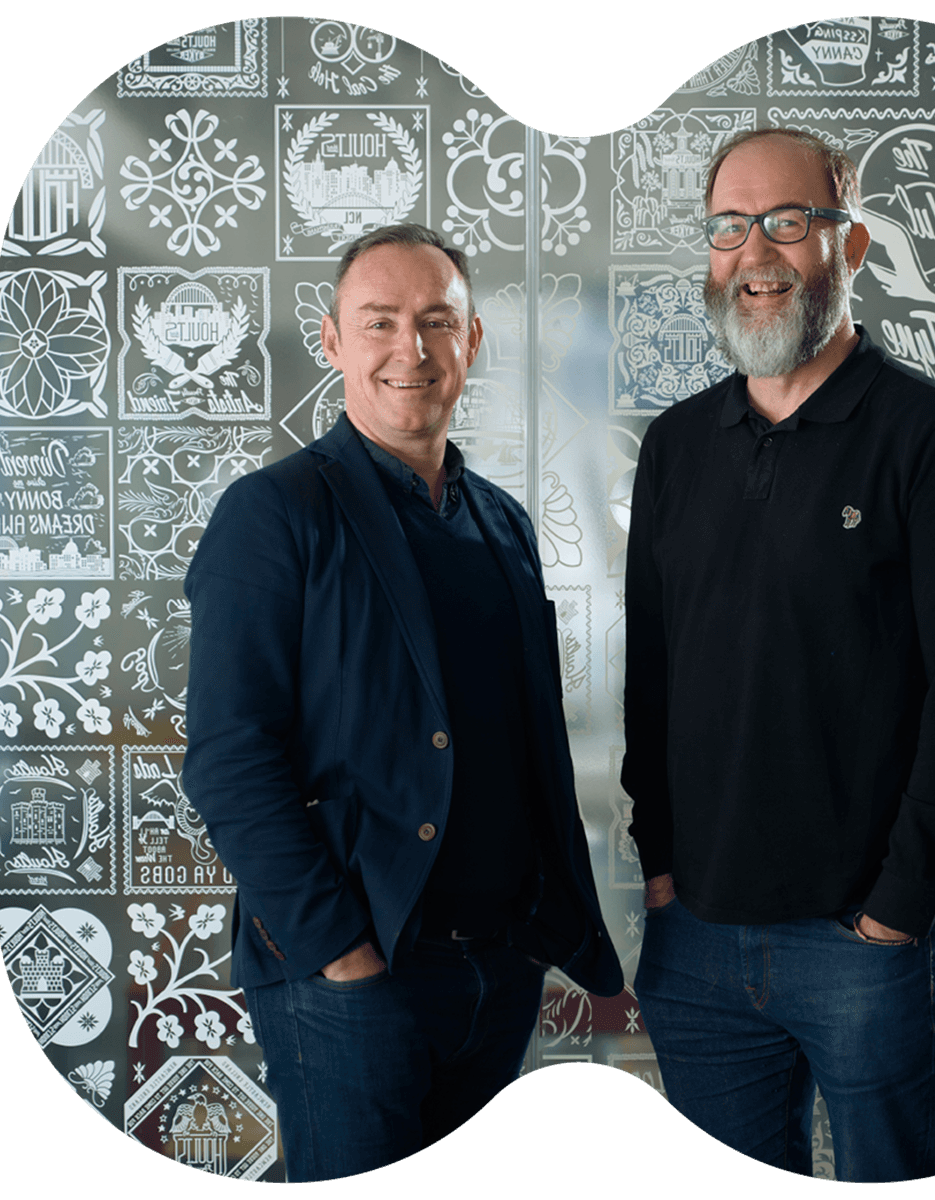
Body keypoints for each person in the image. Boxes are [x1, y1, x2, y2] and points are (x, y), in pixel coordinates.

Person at [183, 223, 622, 1182]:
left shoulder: (501, 518)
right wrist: (340, 953)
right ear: (334, 341)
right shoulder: (274, 515)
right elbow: (228, 756)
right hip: (354, 979)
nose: (408, 349)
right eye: (378, 322)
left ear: (470, 344)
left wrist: (547, 936)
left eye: (435, 322)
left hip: (497, 972)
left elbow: (524, 740)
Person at [621, 128, 935, 1182]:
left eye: (788, 223)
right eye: (729, 228)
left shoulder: (926, 437)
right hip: (696, 943)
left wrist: (896, 913)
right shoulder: (674, 446)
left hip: (865, 948)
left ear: (847, 240)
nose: (756, 255)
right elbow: (652, 681)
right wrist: (661, 872)